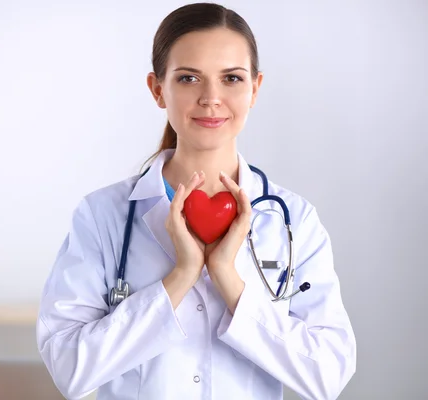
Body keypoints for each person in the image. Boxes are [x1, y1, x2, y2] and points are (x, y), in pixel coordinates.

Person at [36, 3, 356, 399]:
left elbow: (327, 375)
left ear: (254, 89)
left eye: (231, 78)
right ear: (158, 89)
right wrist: (180, 277)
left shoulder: (294, 220)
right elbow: (69, 367)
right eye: (189, 78)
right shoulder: (103, 215)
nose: (211, 98)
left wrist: (229, 280)